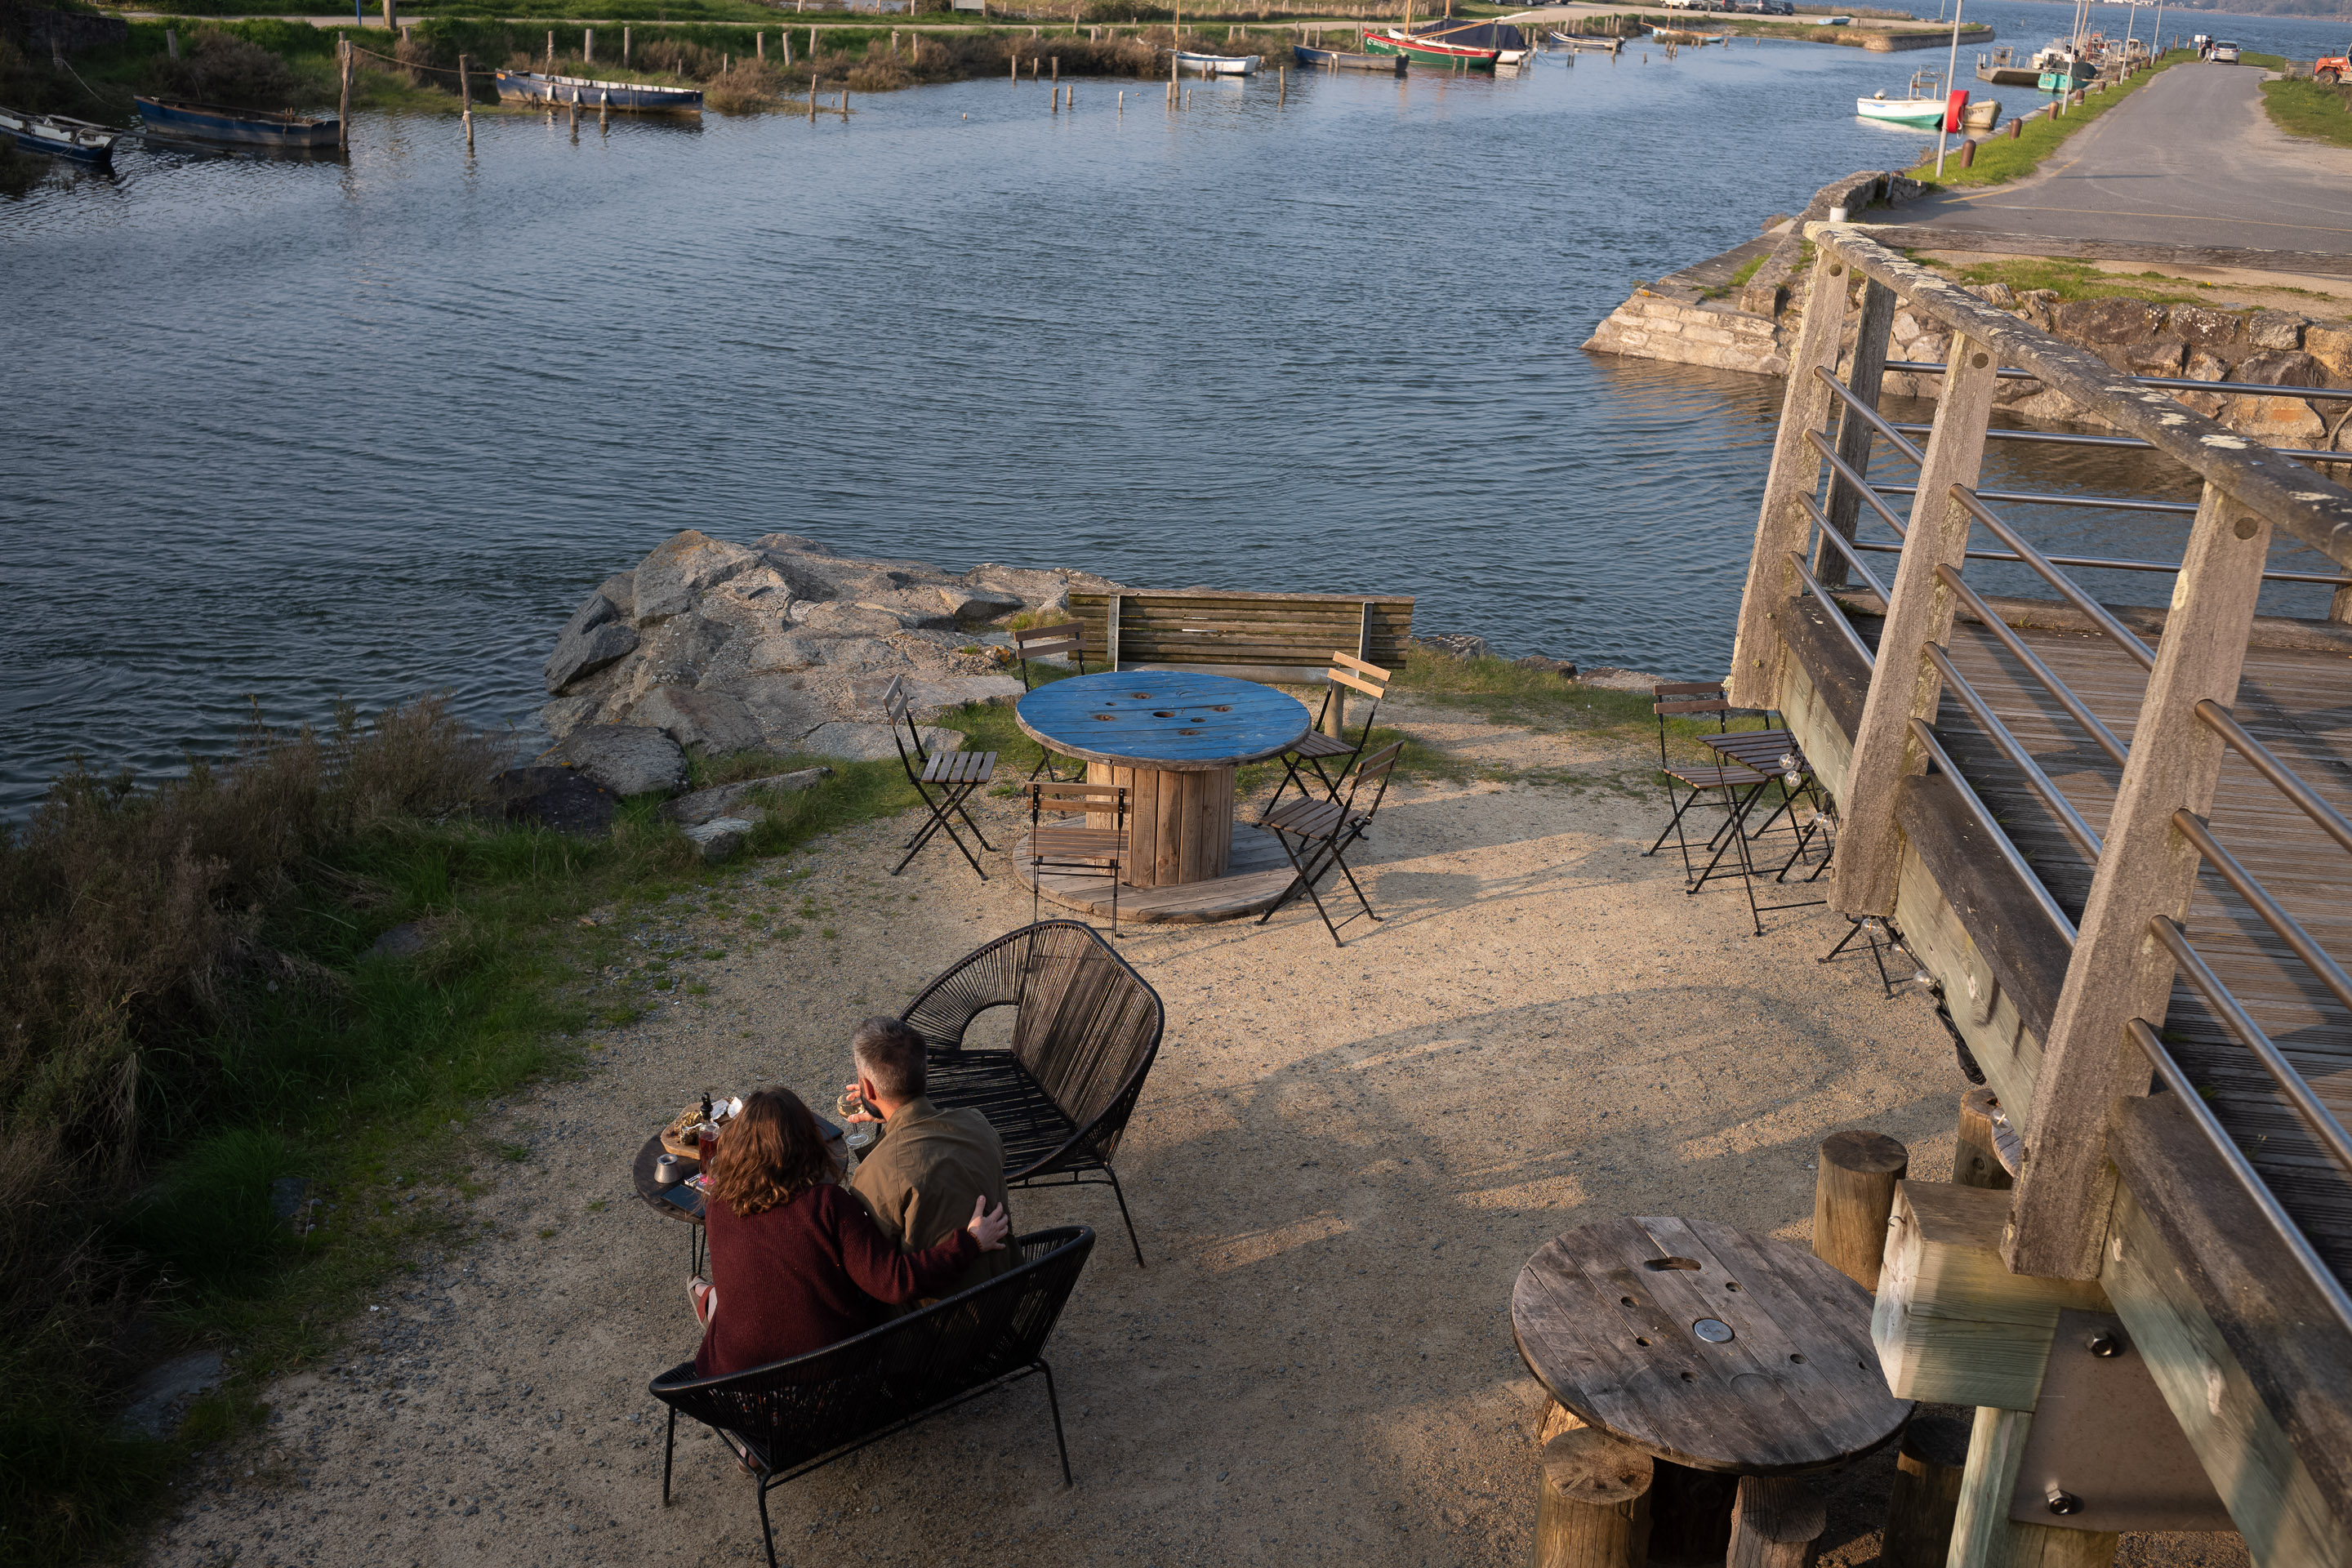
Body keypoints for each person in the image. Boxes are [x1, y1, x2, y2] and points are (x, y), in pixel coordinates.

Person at [693, 1087, 1008, 1378]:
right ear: (807, 1143)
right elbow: (894, 1282)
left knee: (744, 1293)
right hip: (831, 1389)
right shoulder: (826, 1205)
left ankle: (707, 1296)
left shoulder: (717, 1206)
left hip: (736, 1392)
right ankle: (708, 1296)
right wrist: (971, 1242)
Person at [842, 1017, 1015, 1297]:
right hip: (1009, 1289)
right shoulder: (978, 1123)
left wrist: (893, 1125)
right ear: (926, 1070)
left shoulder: (876, 1172)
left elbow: (881, 1269)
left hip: (941, 1314)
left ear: (868, 1089)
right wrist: (894, 1120)